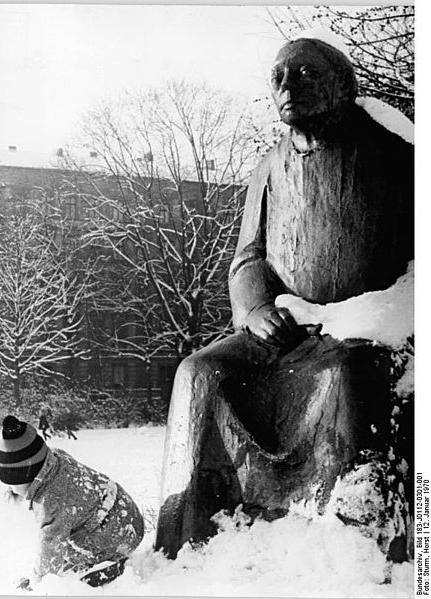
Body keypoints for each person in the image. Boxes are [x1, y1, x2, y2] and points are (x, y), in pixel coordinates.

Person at [156, 33, 413, 559]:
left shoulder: (397, 154)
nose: (286, 86)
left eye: (304, 74)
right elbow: (247, 257)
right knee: (198, 373)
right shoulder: (267, 167)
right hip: (285, 323)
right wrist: (255, 310)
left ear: (342, 85)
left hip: (363, 325)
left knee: (347, 375)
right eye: (278, 77)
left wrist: (379, 314)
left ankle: (352, 553)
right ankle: (186, 540)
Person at [0, 415, 144, 589]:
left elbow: (51, 547)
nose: (11, 489)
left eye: (13, 484)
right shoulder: (55, 459)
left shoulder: (52, 499)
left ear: (28, 475)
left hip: (117, 533)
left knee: (64, 555)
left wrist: (38, 583)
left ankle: (106, 566)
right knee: (68, 539)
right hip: (124, 512)